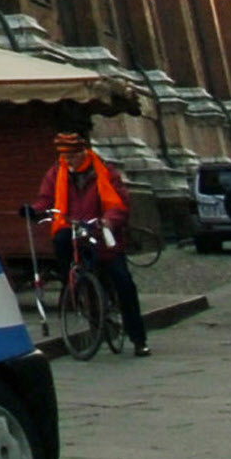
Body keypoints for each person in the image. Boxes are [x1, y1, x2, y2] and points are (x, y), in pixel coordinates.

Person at [41, 130, 146, 356]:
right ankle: (71, 280)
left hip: (103, 235)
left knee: (123, 282)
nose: (68, 161)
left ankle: (138, 338)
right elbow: (46, 199)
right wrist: (35, 210)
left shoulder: (105, 172)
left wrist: (110, 220)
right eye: (65, 156)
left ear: (84, 152)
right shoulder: (56, 173)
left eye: (72, 156)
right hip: (75, 233)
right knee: (60, 239)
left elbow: (120, 202)